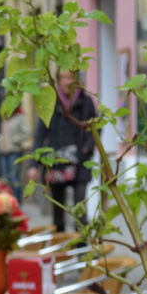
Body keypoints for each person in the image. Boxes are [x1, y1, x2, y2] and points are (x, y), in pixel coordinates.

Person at [28, 69, 98, 231]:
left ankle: (81, 248)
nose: (68, 81)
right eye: (64, 78)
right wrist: (33, 164)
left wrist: (88, 147)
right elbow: (40, 134)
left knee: (80, 209)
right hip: (56, 163)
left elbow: (95, 128)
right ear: (58, 80)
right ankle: (60, 250)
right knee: (58, 210)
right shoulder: (50, 103)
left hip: (81, 162)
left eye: (71, 77)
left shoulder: (86, 102)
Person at [0, 106, 31, 202]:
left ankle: (17, 202)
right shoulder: (5, 118)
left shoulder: (20, 117)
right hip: (4, 152)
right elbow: (3, 133)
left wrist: (16, 139)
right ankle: (7, 203)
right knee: (5, 180)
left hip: (14, 152)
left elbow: (27, 133)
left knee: (14, 179)